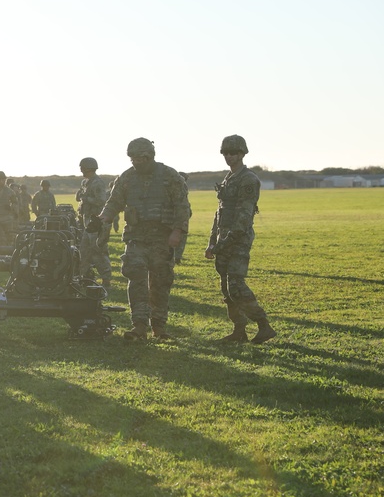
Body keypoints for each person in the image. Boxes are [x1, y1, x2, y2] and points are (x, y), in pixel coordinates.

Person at [92, 138, 191, 340]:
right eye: (133, 159)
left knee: (160, 283)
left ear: (150, 156)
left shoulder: (170, 176)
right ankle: (139, 326)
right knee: (136, 278)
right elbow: (114, 202)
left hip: (161, 239)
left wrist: (177, 231)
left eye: (140, 158)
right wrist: (103, 218)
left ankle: (159, 328)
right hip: (136, 238)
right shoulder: (127, 178)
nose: (136, 162)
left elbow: (182, 207)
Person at [205, 135, 276, 344]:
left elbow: (244, 217)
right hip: (223, 238)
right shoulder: (229, 178)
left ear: (242, 153)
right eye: (226, 153)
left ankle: (264, 326)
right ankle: (239, 331)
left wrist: (224, 242)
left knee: (235, 285)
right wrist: (212, 241)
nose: (229, 156)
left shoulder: (248, 179)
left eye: (233, 153)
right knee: (226, 289)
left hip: (238, 239)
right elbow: (219, 214)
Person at [75, 157, 112, 288]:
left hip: (96, 223)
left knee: (99, 252)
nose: (80, 170)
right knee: (84, 251)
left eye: (82, 167)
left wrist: (86, 198)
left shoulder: (97, 183)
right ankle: (83, 277)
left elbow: (101, 201)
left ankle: (106, 279)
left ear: (87, 168)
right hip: (87, 223)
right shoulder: (86, 182)